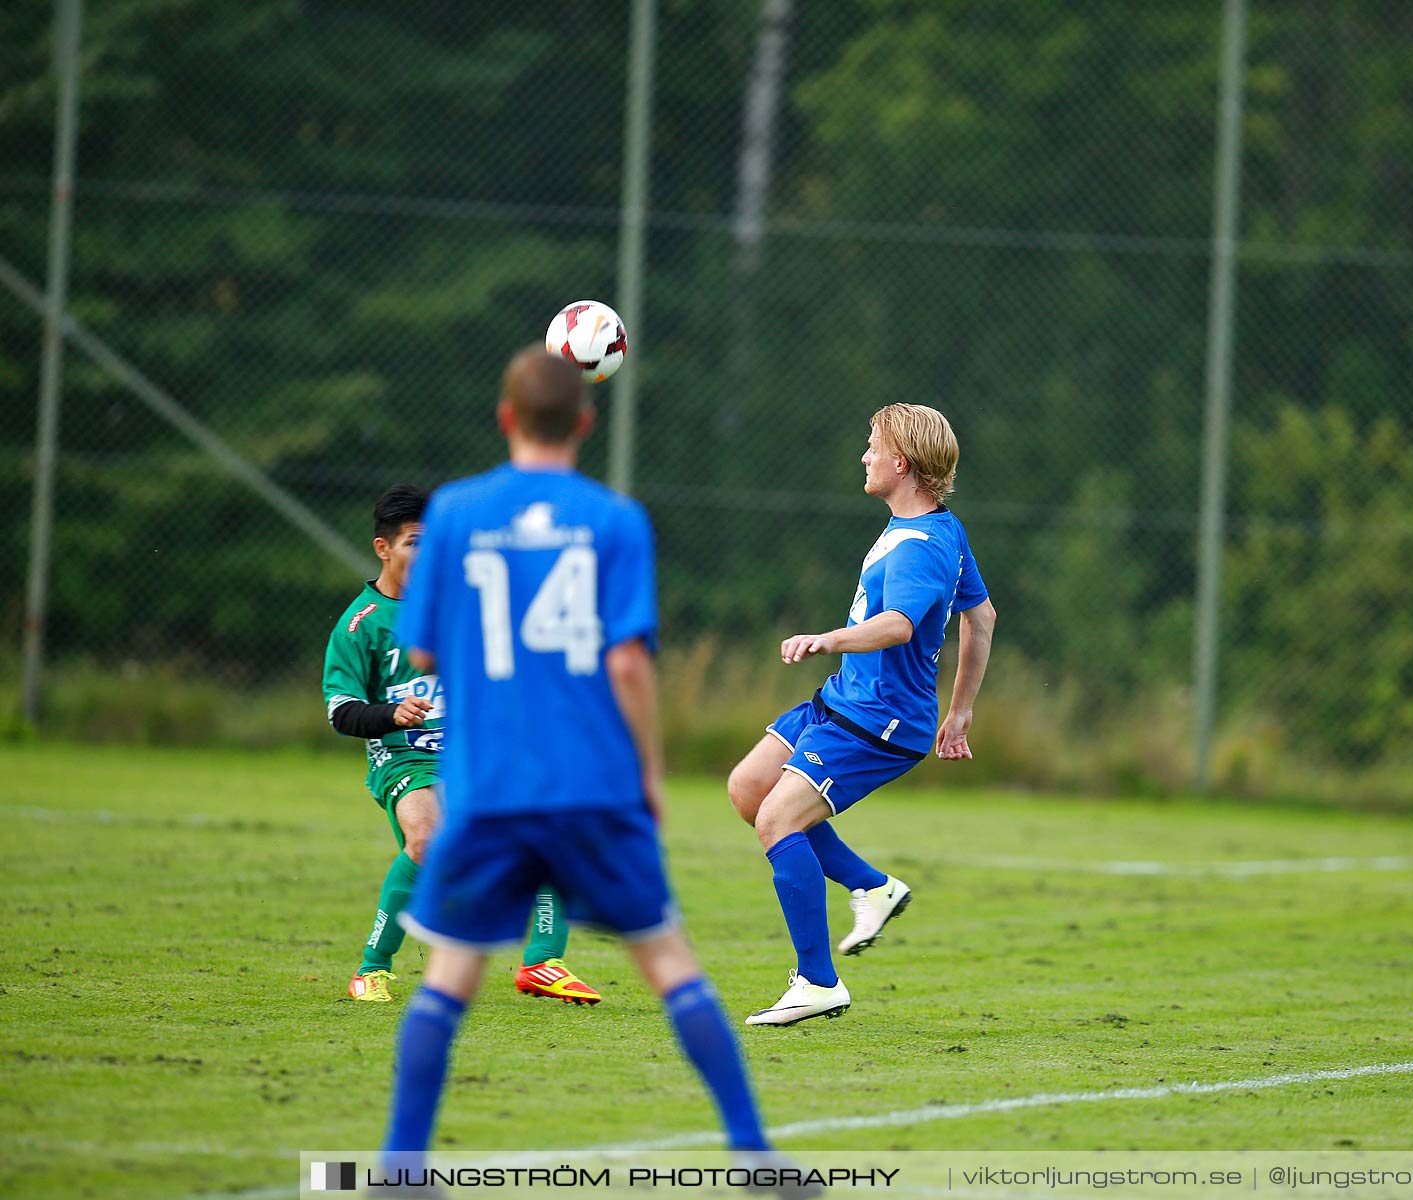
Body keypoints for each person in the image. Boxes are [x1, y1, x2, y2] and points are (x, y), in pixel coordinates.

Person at [381, 349, 796, 1180]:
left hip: (489, 789)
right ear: (585, 421)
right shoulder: (614, 520)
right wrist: (647, 773)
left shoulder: (456, 513)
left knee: (449, 976)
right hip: (591, 787)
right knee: (670, 964)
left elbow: (420, 644)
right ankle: (757, 1161)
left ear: (505, 419)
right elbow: (630, 666)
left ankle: (400, 1171)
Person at [728, 403, 997, 1026]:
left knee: (776, 819)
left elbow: (899, 626)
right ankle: (871, 886)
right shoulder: (940, 528)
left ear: (901, 463)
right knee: (749, 789)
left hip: (878, 723)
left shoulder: (920, 547)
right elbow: (979, 618)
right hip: (845, 701)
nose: (865, 456)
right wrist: (959, 714)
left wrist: (828, 638)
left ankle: (817, 981)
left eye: (873, 446)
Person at [324, 486, 602, 1005]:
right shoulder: (360, 624)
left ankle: (542, 963)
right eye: (413, 543)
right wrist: (389, 713)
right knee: (428, 840)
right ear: (383, 548)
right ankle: (372, 969)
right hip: (403, 756)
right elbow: (341, 712)